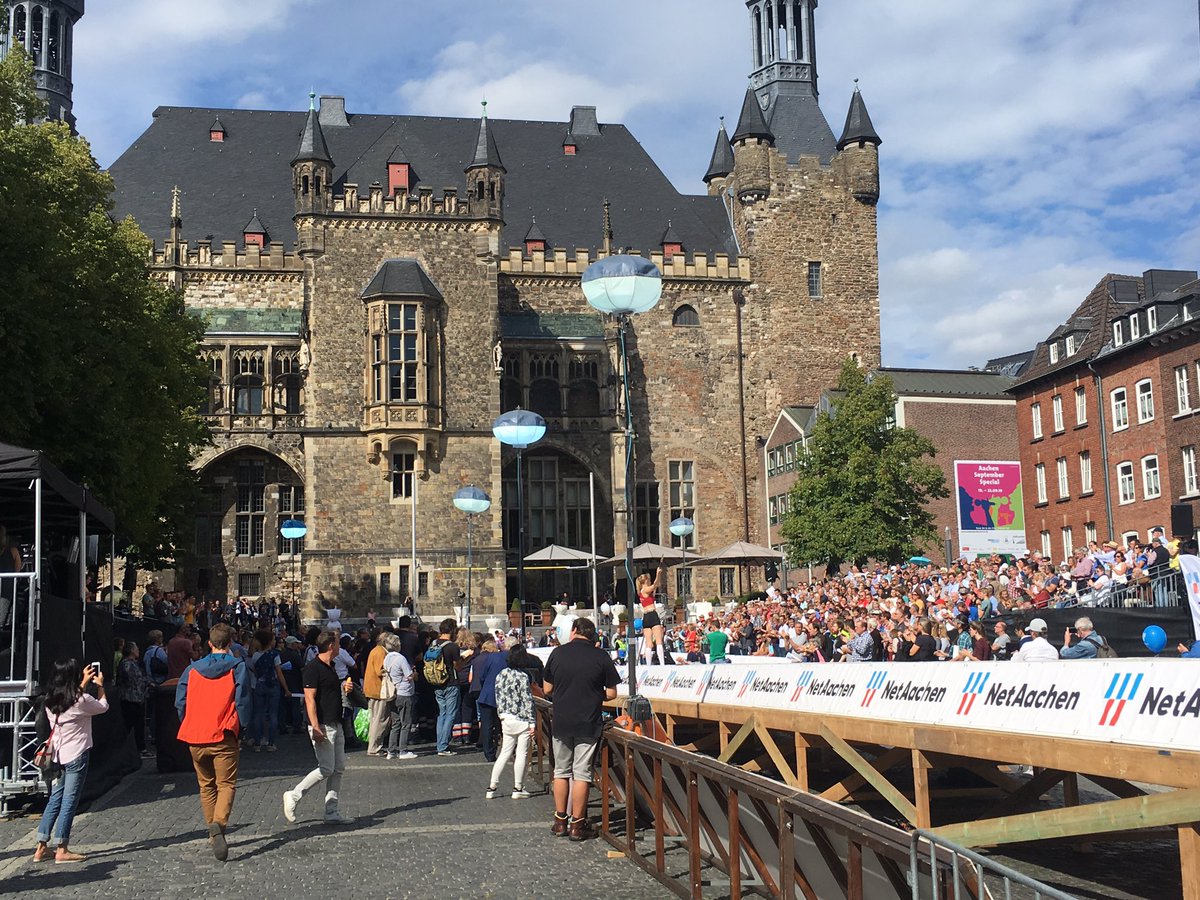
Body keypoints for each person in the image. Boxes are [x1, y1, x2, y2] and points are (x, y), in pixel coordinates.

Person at [175, 623, 251, 861]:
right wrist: (242, 729)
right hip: (223, 733)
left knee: (206, 785)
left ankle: (212, 831)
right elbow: (243, 702)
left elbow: (180, 702)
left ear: (209, 643)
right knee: (226, 784)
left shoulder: (192, 670)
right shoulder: (237, 667)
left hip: (196, 735)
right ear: (230, 643)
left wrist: (188, 721)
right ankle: (218, 824)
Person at [543, 617, 619, 842]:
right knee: (582, 772)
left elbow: (547, 689)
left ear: (574, 631)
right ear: (592, 634)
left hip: (562, 720)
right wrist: (593, 693)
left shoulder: (558, 653)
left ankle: (560, 821)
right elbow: (613, 694)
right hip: (588, 720)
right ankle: (577, 824)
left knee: (561, 771)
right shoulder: (600, 656)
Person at [33, 659, 108, 863]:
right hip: (77, 753)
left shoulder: (49, 700)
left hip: (58, 755)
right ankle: (62, 848)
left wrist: (84, 682)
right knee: (69, 801)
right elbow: (102, 706)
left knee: (56, 798)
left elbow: (70, 702)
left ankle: (41, 846)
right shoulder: (80, 699)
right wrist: (100, 685)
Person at [283, 630, 354, 825]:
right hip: (322, 724)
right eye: (338, 643)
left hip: (335, 721)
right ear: (331, 646)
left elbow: (328, 691)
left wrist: (343, 688)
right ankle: (294, 795)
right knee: (326, 768)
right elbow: (309, 698)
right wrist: (315, 726)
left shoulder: (330, 666)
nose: (340, 646)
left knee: (338, 768)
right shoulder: (312, 668)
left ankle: (331, 811)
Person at [486, 644, 536, 800]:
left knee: (504, 753)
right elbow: (527, 700)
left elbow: (498, 695)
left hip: (506, 718)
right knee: (521, 754)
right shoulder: (522, 676)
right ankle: (518, 787)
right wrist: (532, 722)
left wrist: (501, 714)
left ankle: (491, 787)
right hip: (521, 719)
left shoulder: (501, 674)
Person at [248, 629, 289, 751]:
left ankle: (257, 742)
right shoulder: (274, 655)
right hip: (273, 685)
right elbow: (279, 673)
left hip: (260, 684)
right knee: (272, 714)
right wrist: (286, 688)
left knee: (258, 713)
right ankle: (271, 743)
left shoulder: (255, 656)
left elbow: (255, 671)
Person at [426, 619, 463, 756]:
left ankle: (439, 744)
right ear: (453, 631)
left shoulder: (433, 644)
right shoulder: (453, 647)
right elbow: (457, 666)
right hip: (451, 683)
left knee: (442, 713)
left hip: (436, 682)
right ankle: (443, 746)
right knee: (450, 714)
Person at [381, 632, 416, 760]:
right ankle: (403, 750)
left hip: (393, 692)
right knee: (405, 723)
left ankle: (391, 750)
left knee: (395, 723)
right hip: (404, 692)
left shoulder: (387, 658)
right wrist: (414, 672)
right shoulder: (401, 658)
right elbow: (409, 675)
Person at [115, 641, 154, 758]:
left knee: (136, 725)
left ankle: (135, 748)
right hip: (131, 699)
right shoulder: (128, 664)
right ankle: (138, 749)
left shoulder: (132, 663)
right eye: (136, 648)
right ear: (131, 650)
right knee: (134, 725)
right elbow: (136, 680)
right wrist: (148, 682)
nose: (138, 650)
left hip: (136, 698)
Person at [473, 639, 508, 763]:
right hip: (502, 696)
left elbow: (481, 676)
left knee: (487, 725)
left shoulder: (489, 658)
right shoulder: (505, 658)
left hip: (487, 695)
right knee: (502, 724)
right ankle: (505, 750)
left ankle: (489, 753)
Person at [362, 631, 391, 756]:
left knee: (376, 719)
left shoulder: (376, 650)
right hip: (378, 690)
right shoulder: (380, 652)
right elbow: (380, 671)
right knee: (380, 719)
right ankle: (374, 747)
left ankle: (374, 745)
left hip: (373, 689)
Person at [637, 565, 667, 666]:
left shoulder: (641, 592)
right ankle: (662, 664)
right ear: (645, 581)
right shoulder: (645, 589)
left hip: (645, 617)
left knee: (648, 643)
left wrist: (657, 577)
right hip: (652, 615)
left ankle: (648, 665)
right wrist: (658, 574)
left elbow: (655, 584)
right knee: (658, 641)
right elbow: (654, 585)